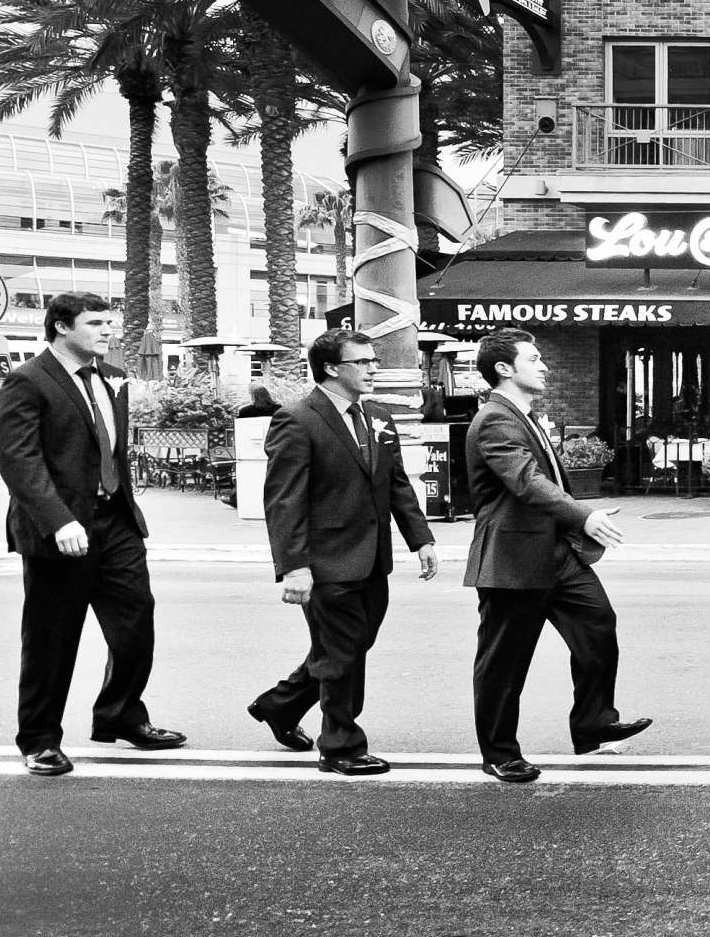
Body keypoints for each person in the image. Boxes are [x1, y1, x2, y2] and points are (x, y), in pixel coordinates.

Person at [0, 291, 183, 775]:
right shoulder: (27, 381)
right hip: (58, 529)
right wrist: (59, 520)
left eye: (109, 321)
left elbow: (108, 450)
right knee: (51, 640)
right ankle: (38, 739)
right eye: (96, 323)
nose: (107, 330)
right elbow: (21, 461)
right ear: (61, 327)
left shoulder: (110, 379)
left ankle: (119, 715)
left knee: (136, 624)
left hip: (115, 522)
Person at [247, 330, 438, 775]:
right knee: (342, 651)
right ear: (333, 368)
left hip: (373, 558)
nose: (373, 368)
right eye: (363, 361)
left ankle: (280, 705)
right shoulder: (297, 419)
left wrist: (421, 538)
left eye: (373, 360)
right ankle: (340, 745)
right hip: (325, 561)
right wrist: (294, 567)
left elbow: (396, 483)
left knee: (350, 646)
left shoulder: (377, 414)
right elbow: (284, 500)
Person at [463, 328, 647, 783]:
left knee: (598, 626)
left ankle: (593, 722)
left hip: (556, 554)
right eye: (534, 358)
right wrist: (583, 515)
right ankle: (499, 752)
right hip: (512, 557)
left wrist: (576, 518)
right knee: (504, 662)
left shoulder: (523, 415)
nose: (543, 365)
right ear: (504, 369)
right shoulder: (495, 419)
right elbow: (526, 482)